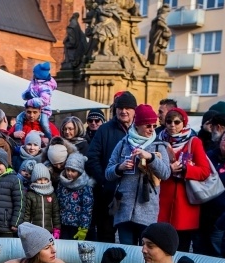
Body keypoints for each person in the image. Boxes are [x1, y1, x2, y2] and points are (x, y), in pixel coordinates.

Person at [105, 103, 171, 245]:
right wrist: (119, 168)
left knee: (144, 254)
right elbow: (108, 173)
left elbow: (166, 174)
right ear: (138, 125)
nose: (152, 129)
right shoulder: (123, 144)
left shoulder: (159, 145)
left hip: (147, 210)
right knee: (127, 253)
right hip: (124, 209)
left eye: (154, 125)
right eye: (148, 126)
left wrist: (151, 158)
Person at [157, 107, 211, 251]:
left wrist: (186, 169)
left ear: (184, 123)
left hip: (185, 203)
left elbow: (205, 171)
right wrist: (167, 168)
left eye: (176, 122)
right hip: (162, 201)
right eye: (169, 121)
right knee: (162, 246)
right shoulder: (158, 140)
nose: (172, 125)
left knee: (181, 247)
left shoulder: (194, 142)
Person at [86, 91, 137, 243]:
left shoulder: (141, 130)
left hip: (132, 195)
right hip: (107, 193)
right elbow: (92, 158)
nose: (123, 111)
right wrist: (104, 181)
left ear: (135, 110)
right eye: (120, 107)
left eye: (128, 107)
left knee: (130, 238)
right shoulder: (105, 129)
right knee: (105, 235)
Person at [57, 153, 95, 240]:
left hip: (77, 226)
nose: (69, 173)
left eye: (73, 171)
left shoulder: (85, 187)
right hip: (63, 224)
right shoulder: (62, 184)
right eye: (67, 170)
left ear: (79, 172)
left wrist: (84, 227)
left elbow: (87, 209)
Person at [15, 62, 57, 140]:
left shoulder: (46, 86)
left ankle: (49, 139)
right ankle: (18, 134)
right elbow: (29, 90)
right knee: (19, 117)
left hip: (44, 110)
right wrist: (25, 95)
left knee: (44, 124)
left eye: (34, 72)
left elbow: (44, 100)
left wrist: (30, 101)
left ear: (39, 74)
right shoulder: (34, 82)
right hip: (32, 105)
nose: (33, 74)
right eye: (29, 112)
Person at [23, 164, 60, 237]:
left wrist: (56, 229)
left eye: (45, 179)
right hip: (33, 232)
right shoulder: (30, 194)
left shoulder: (52, 194)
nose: (43, 182)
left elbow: (55, 214)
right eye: (39, 179)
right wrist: (25, 229)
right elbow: (27, 214)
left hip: (48, 231)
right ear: (34, 179)